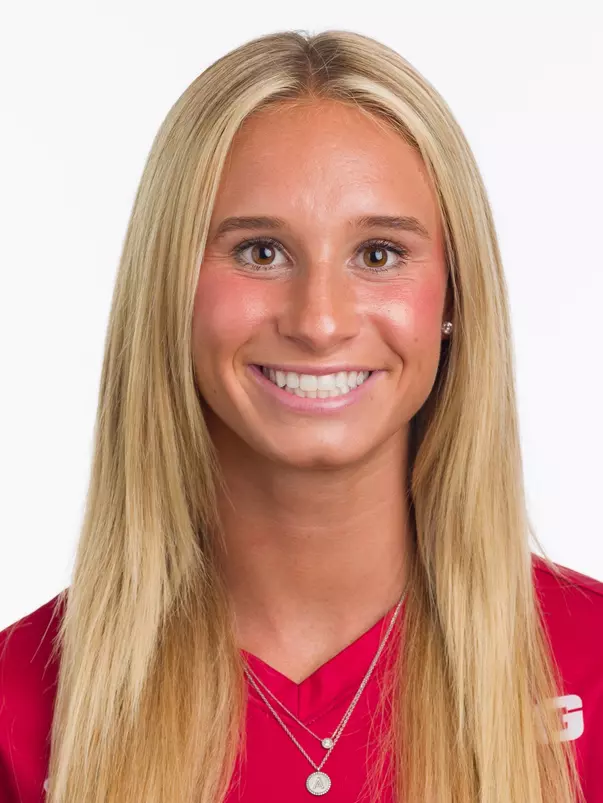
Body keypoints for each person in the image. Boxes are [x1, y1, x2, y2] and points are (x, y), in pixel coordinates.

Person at [0, 28, 601, 803]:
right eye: (258, 252)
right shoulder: (20, 712)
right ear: (171, 290)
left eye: (378, 253)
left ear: (453, 299)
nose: (319, 321)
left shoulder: (589, 663)